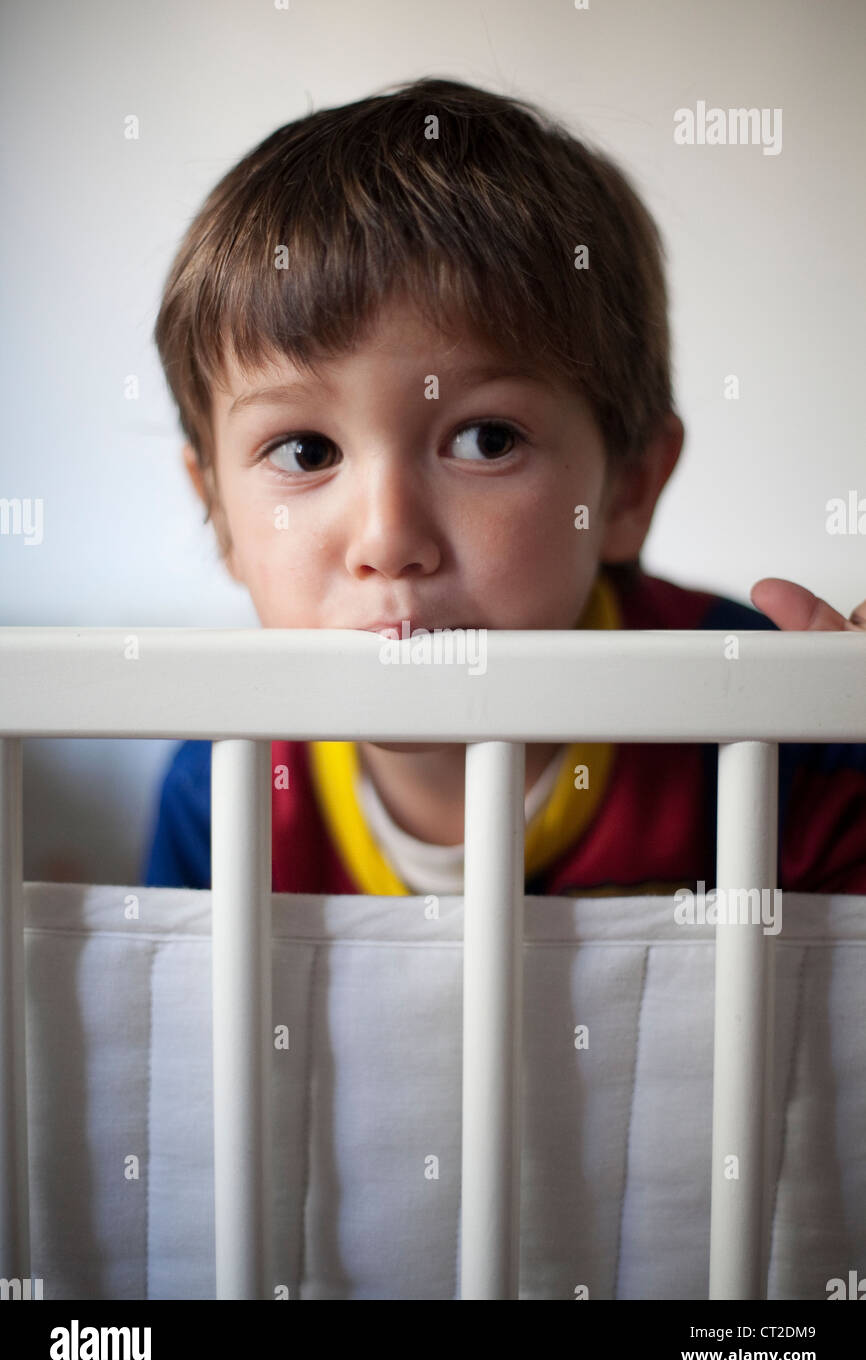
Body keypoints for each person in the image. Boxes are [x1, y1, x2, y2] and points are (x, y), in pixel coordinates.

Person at [142, 76, 866, 895]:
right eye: (306, 452)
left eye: (486, 440)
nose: (387, 540)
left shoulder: (762, 724)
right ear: (219, 514)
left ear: (628, 489)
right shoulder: (223, 788)